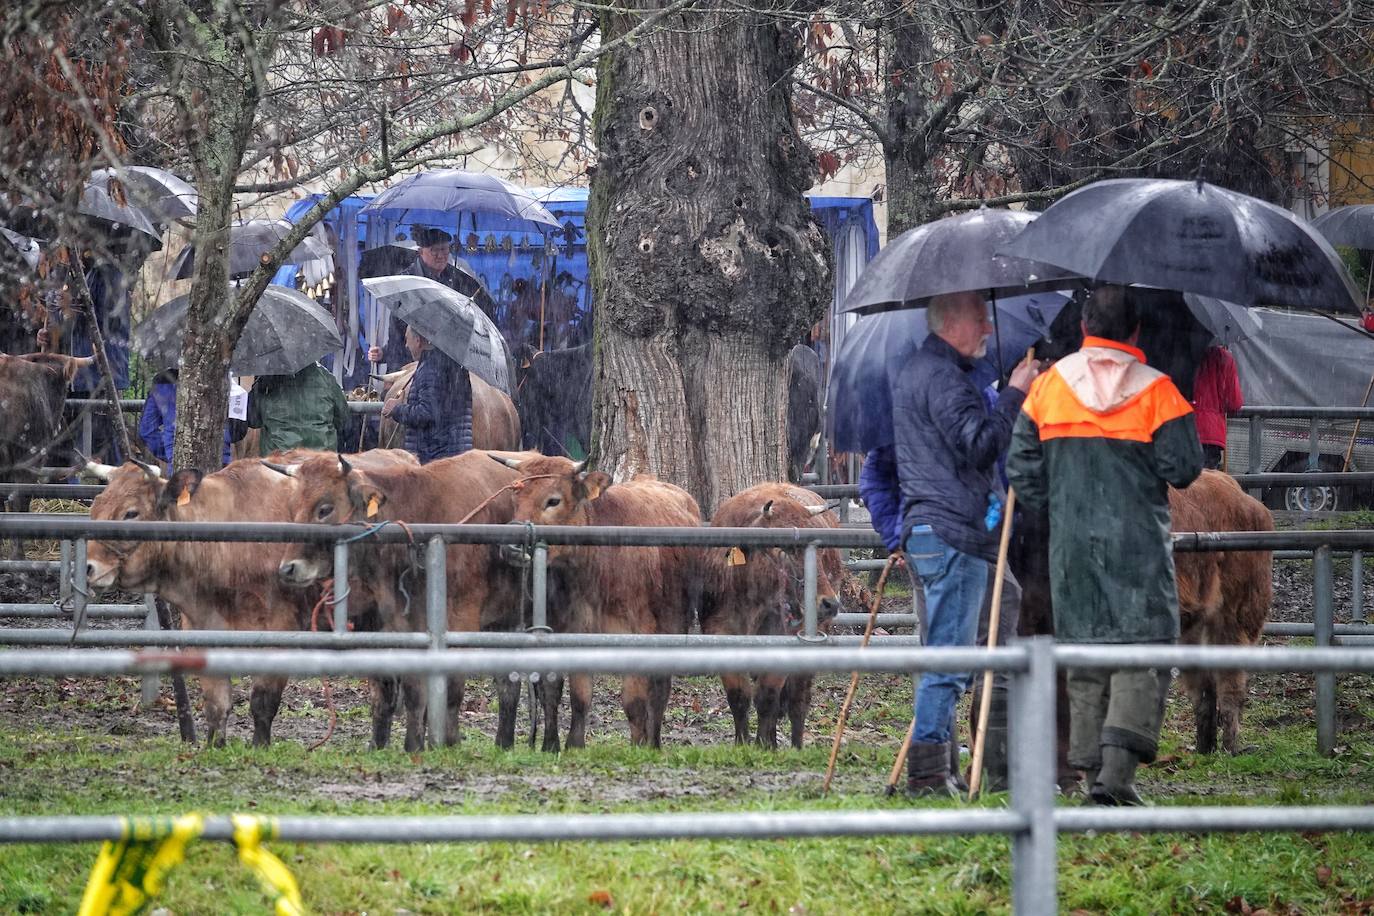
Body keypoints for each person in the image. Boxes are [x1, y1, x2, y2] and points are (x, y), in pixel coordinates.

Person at [1006, 284, 1203, 806]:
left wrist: (1060, 505)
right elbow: (1184, 469)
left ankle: (1091, 769)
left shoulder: (1048, 389)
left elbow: (1021, 467)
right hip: (1137, 547)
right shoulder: (1159, 391)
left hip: (1070, 549)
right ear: (1136, 331)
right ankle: (1116, 778)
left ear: (1085, 328)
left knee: (1086, 654)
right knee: (1145, 648)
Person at [890, 291, 1040, 796]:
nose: (988, 330)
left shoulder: (920, 372)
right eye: (980, 319)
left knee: (945, 653)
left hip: (935, 528)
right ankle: (929, 776)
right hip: (954, 532)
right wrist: (1016, 394)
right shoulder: (943, 379)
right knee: (951, 661)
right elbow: (978, 445)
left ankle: (935, 768)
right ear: (952, 321)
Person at [860, 438, 1021, 793]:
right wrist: (895, 534)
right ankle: (962, 771)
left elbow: (1002, 469)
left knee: (963, 648)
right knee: (970, 652)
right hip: (955, 539)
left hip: (957, 537)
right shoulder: (956, 405)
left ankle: (975, 768)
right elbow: (874, 478)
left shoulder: (914, 405)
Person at [374, 226, 497, 369]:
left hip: (449, 360)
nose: (441, 255)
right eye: (434, 250)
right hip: (413, 362)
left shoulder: (457, 279)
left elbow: (478, 311)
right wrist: (392, 365)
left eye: (444, 249)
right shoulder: (408, 283)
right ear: (421, 252)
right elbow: (397, 334)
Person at [379, 325, 472, 463]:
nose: (406, 345)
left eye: (407, 339)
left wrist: (397, 410)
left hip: (434, 458)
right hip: (455, 455)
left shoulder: (431, 369)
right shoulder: (454, 364)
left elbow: (427, 413)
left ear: (418, 341)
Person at [246, 361, 350, 456]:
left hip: (279, 460)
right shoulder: (325, 377)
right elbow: (343, 418)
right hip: (322, 459)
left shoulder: (266, 382)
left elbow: (253, 421)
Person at [138, 369, 233, 468]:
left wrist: (174, 454)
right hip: (205, 378)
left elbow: (148, 432)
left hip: (170, 380)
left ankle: (181, 459)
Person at [1192, 343, 1242, 470]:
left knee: (1183, 487)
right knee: (1206, 484)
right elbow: (1234, 403)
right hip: (1211, 434)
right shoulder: (1225, 358)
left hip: (1184, 430)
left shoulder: (1181, 355)